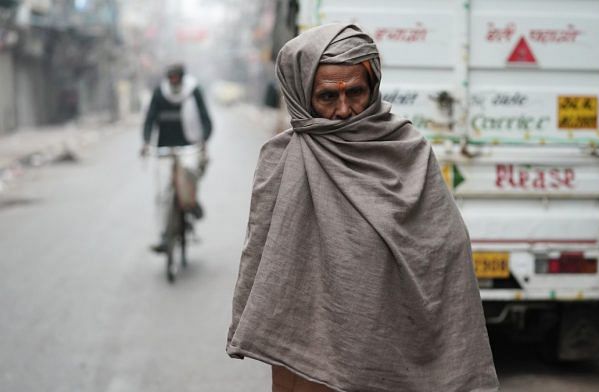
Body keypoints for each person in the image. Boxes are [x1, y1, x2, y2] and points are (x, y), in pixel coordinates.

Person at [226, 24, 498, 392]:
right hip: (308, 356)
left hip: (393, 342)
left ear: (373, 87)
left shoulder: (408, 149)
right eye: (326, 97)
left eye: (355, 92)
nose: (343, 110)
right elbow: (265, 265)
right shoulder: (282, 159)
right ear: (302, 94)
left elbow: (446, 246)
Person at [141, 64, 213, 252]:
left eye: (176, 79)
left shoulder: (192, 91)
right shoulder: (160, 93)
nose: (173, 82)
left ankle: (192, 203)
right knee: (164, 194)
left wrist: (203, 140)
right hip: (164, 149)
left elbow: (206, 120)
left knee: (190, 175)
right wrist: (147, 142)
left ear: (182, 78)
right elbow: (149, 120)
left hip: (189, 147)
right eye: (170, 79)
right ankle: (166, 235)